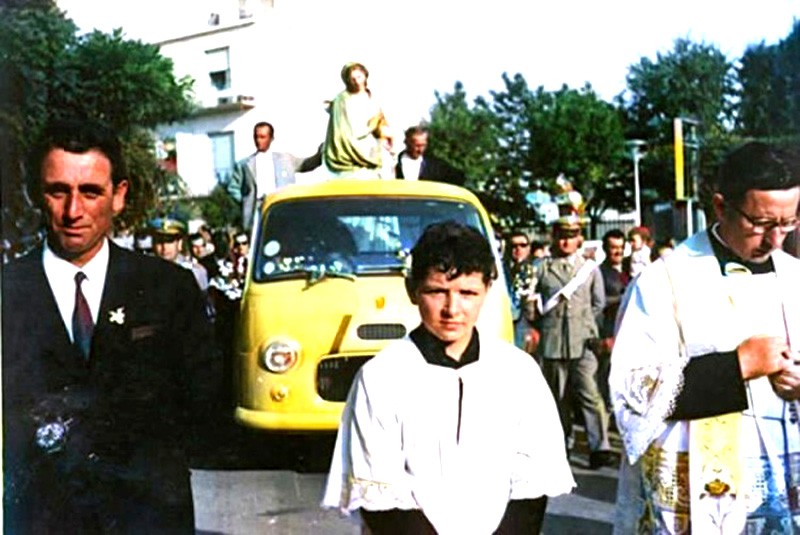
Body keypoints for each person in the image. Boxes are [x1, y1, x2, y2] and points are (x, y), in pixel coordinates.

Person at [2, 118, 216, 533]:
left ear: (119, 196)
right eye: (58, 191)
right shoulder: (7, 292)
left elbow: (203, 409)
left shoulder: (166, 290)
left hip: (148, 518)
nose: (73, 211)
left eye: (90, 192)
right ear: (35, 194)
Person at [322, 221, 574, 534]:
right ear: (412, 290)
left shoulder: (518, 373)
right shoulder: (381, 378)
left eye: (467, 293)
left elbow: (533, 485)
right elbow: (380, 496)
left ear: (487, 290)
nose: (452, 308)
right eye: (437, 292)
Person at [610, 142, 800, 533]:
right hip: (703, 490)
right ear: (719, 207)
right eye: (761, 224)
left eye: (788, 223)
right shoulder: (665, 281)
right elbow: (630, 392)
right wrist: (738, 366)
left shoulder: (795, 276)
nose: (776, 241)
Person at [532, 205, 615, 469]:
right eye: (562, 235)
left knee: (590, 394)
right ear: (554, 237)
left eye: (572, 235)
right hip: (553, 341)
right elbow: (533, 302)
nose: (567, 241)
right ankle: (562, 445)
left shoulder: (588, 269)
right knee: (558, 398)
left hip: (583, 342)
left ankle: (599, 447)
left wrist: (587, 326)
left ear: (580, 237)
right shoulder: (542, 268)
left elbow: (598, 304)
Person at [226, 121, 321, 231]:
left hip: (281, 206)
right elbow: (233, 188)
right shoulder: (245, 164)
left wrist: (320, 154)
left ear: (271, 138)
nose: (258, 141)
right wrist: (247, 201)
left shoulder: (285, 159)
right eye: (256, 137)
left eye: (262, 137)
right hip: (258, 208)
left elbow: (306, 164)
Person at [323, 62, 393, 179]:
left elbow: (383, 124)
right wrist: (371, 126)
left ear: (365, 76)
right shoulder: (342, 101)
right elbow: (348, 130)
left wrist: (383, 132)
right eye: (352, 79)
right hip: (350, 146)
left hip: (372, 147)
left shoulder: (374, 99)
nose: (356, 81)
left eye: (359, 77)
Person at [596, 228, 629, 409]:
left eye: (621, 247)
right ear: (605, 248)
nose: (617, 252)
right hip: (610, 332)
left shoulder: (629, 267)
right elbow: (598, 304)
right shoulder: (600, 272)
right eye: (613, 247)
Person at [149, 216, 209, 292]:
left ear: (179, 243)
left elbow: (204, 301)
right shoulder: (145, 272)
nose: (164, 247)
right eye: (160, 241)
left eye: (170, 241)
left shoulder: (196, 273)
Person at [394, 125, 465, 185]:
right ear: (407, 143)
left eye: (423, 145)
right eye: (417, 146)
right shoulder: (394, 164)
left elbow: (458, 178)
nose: (420, 150)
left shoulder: (435, 166)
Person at [505, 229, 537, 351]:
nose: (518, 249)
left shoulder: (537, 269)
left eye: (523, 245)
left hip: (527, 324)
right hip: (505, 321)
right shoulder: (500, 270)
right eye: (513, 246)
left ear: (529, 248)